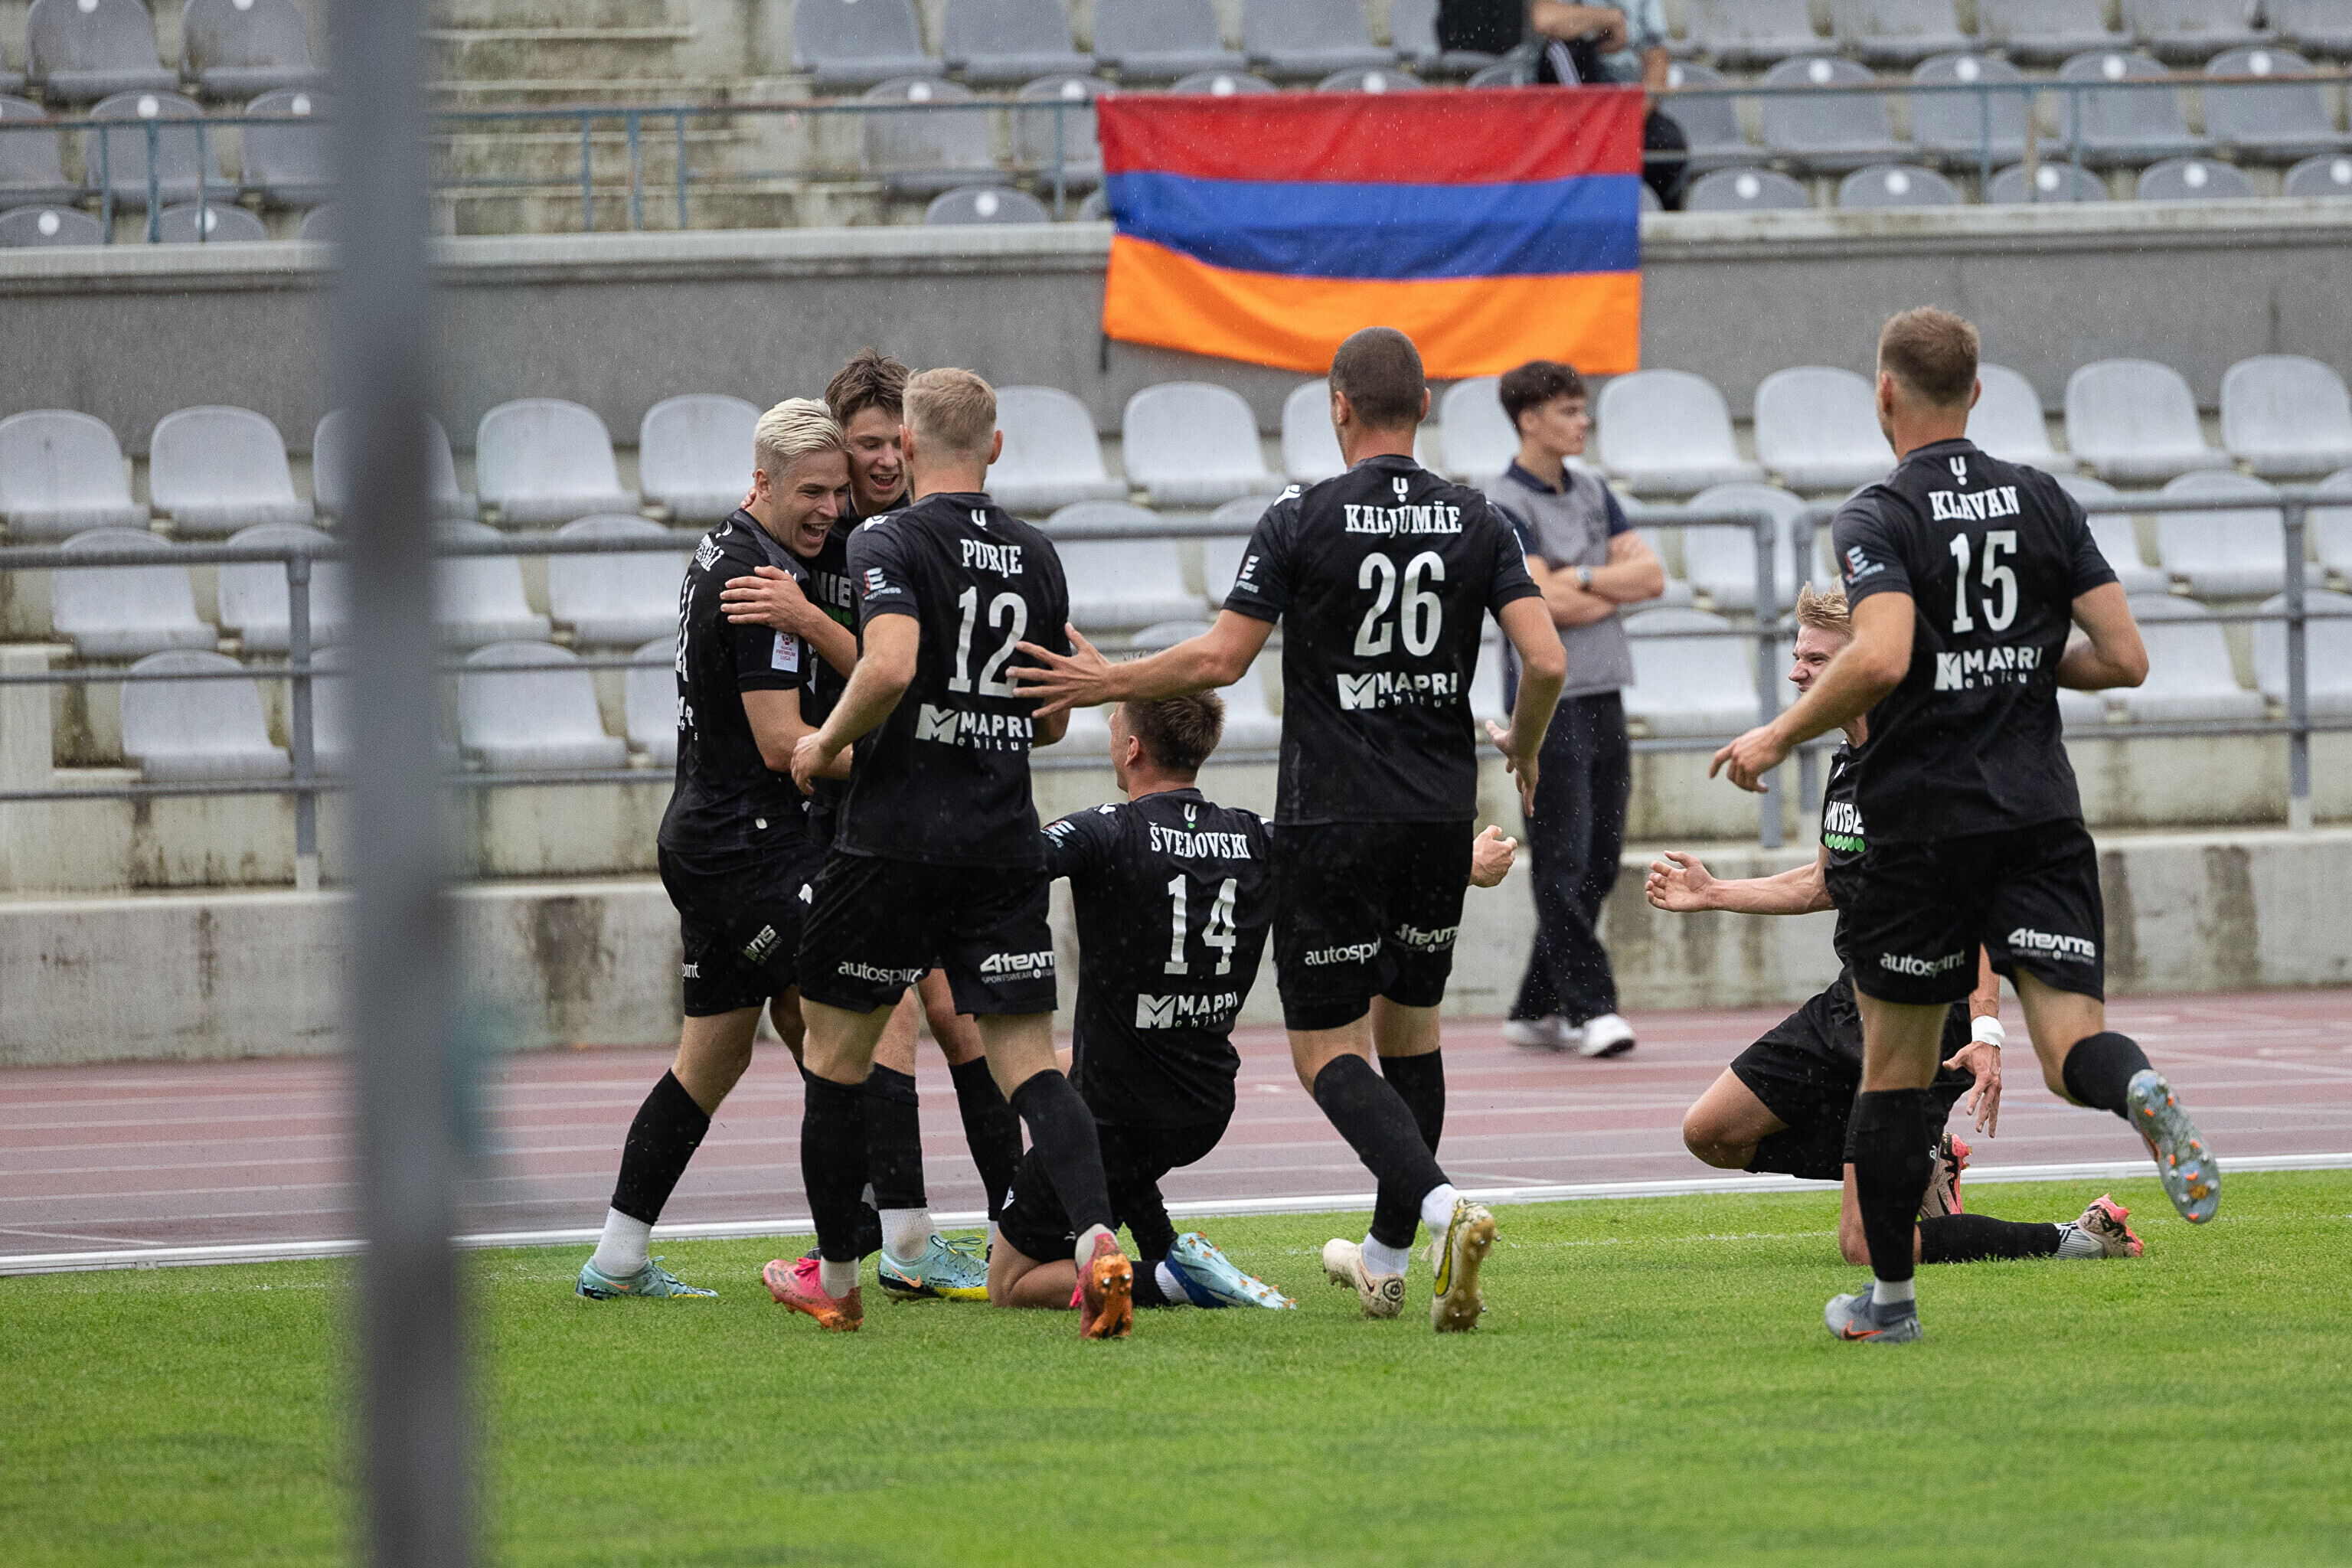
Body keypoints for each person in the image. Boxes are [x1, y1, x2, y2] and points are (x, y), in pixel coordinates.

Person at [1013, 326, 1570, 1333]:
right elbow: (1550, 661)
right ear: (1426, 407)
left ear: (1337, 407)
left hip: (1333, 813)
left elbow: (1221, 659)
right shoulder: (1480, 517)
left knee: (1327, 1052)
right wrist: (1523, 749)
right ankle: (1388, 1260)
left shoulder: (1300, 515)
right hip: (1439, 810)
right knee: (1412, 1032)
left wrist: (1107, 680)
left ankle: (1441, 1207)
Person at [1713, 307, 2216, 1345]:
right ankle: (2138, 1087)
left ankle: (1890, 1307)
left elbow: (1884, 654)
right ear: (1978, 393)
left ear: (1885, 393)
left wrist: (1777, 732)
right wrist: (2017, 665)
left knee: (1893, 1073)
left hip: (1924, 823)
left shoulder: (1880, 512)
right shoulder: (2044, 499)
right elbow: (2126, 657)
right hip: (2040, 809)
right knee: (2071, 1045)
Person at [772, 368, 1136, 1339]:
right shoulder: (1036, 553)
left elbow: (888, 665)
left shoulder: (886, 538)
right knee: (1032, 1066)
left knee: (834, 1057)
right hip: (1003, 840)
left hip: (893, 841)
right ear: (997, 447)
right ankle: (1098, 1241)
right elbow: (1052, 717)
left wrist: (820, 741)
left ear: (910, 445)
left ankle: (837, 1279)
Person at [1653, 586, 2145, 1269]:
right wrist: (1714, 894)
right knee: (1710, 1132)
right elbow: (1824, 881)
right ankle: (1918, 1160)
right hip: (1851, 997)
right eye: (1797, 657)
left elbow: (1975, 903)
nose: (1796, 673)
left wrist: (1985, 1030)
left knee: (1866, 1247)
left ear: (1864, 663)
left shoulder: (1924, 766)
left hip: (1925, 1017)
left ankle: (2077, 1237)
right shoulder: (1847, 761)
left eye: (1815, 660)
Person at [991, 693, 1525, 1316]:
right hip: (1204, 1102)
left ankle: (1172, 1278)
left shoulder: (1104, 829)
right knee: (1069, 1074)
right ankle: (1167, 1245)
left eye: (1115, 723)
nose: (1110, 731)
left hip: (1119, 1107)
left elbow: (1011, 865)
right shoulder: (1253, 835)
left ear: (1132, 748)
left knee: (1010, 1281)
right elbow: (1363, 864)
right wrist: (1464, 864)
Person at [721, 350, 1020, 1299]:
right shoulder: (823, 533)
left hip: (924, 801)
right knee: (883, 1015)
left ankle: (1013, 1230)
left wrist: (812, 622)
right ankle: (904, 1235)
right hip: (848, 809)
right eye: (865, 446)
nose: (884, 459)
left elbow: (909, 669)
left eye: (896, 440)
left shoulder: (923, 533)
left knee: (958, 1019)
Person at [575, 399, 852, 1301]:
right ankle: (855, 1252)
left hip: (714, 837)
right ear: (762, 481)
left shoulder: (728, 549)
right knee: (838, 1020)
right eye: (812, 491)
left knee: (714, 1057)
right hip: (747, 848)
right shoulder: (760, 581)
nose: (830, 509)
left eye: (839, 491)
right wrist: (905, 769)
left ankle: (618, 1259)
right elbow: (783, 743)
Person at [1486, 358, 1664, 1059]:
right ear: (1529, 420)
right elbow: (1540, 601)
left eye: (1582, 409)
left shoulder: (1593, 489)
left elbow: (1651, 576)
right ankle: (1593, 1009)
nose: (1583, 422)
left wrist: (1581, 577)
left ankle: (1535, 1007)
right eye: (1567, 411)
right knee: (1561, 857)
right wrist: (1599, 590)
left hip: (1604, 692)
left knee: (1602, 857)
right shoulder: (1504, 503)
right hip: (1548, 703)